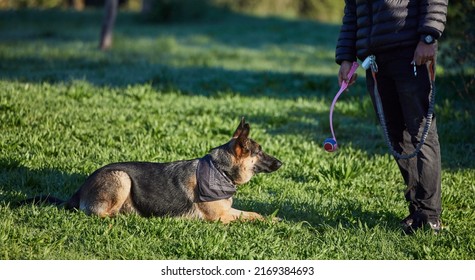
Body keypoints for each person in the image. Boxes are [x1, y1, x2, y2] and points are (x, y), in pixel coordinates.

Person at [335, 0, 448, 234]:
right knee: (396, 136)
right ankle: (417, 211)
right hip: (375, 62)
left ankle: (430, 216)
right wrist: (346, 57)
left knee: (421, 132)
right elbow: (352, 13)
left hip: (410, 53)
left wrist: (428, 37)